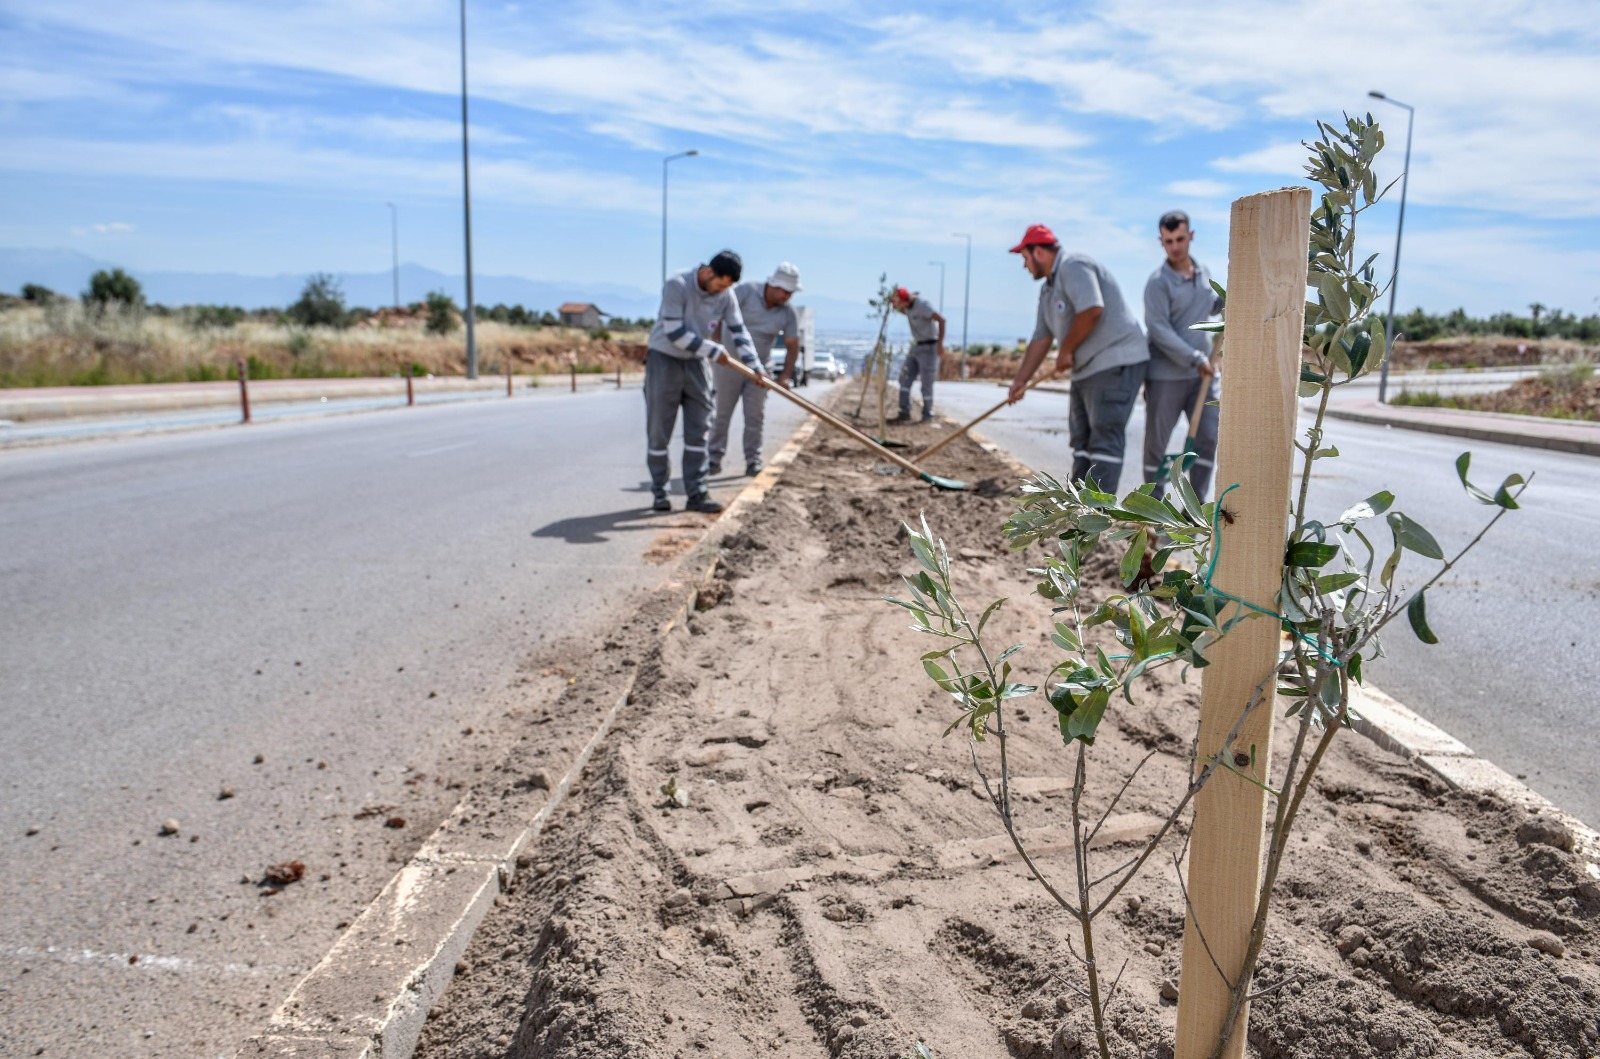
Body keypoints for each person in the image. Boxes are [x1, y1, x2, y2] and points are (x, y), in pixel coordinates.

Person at [1005, 223, 1148, 493]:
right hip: (1087, 369)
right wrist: (1020, 381)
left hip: (1114, 361)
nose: (1025, 266)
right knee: (1081, 441)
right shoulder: (1048, 290)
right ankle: (1079, 510)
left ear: (1039, 252)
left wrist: (1066, 349)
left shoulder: (1073, 266)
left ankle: (1097, 516)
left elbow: (1092, 309)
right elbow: (1040, 338)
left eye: (1025, 258)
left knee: (1104, 440)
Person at [644, 250, 763, 514]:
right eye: (720, 284)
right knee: (659, 430)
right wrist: (713, 349)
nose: (722, 291)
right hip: (664, 360)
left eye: (727, 287)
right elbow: (673, 331)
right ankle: (659, 491)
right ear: (708, 273)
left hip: (697, 364)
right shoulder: (678, 285)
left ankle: (697, 493)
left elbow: (738, 330)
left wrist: (755, 367)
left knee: (699, 430)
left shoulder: (726, 294)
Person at [1142, 210, 1222, 499]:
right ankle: (1154, 511)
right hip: (1166, 376)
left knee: (1208, 437)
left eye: (1180, 239)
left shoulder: (1204, 275)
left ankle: (1196, 508)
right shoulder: (1157, 283)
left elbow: (1210, 305)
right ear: (1161, 242)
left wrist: (1227, 300)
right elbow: (1158, 329)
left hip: (1202, 377)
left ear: (1191, 236)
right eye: (1168, 241)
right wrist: (1195, 357)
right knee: (1157, 445)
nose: (1175, 246)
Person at [709, 263, 804, 477]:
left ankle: (753, 460)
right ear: (773, 285)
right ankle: (713, 458)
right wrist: (715, 344)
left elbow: (792, 346)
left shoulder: (788, 313)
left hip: (760, 371)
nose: (787, 297)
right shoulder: (745, 292)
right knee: (722, 413)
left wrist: (785, 376)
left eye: (791, 293)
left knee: (755, 416)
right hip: (728, 365)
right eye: (785, 291)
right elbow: (719, 316)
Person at [888, 286, 945, 423]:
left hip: (929, 346)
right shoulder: (908, 307)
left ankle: (927, 413)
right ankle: (904, 411)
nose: (900, 307)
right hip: (916, 346)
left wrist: (940, 344)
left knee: (926, 382)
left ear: (906, 300)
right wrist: (892, 302)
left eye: (900, 303)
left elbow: (941, 320)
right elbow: (902, 310)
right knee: (905, 379)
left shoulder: (922, 306)